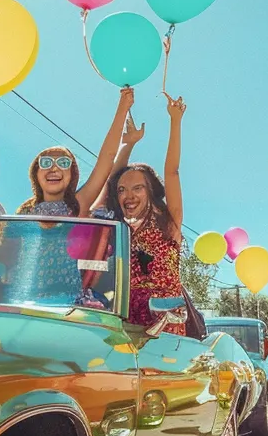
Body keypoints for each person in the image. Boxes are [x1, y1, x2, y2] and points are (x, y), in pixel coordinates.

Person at [110, 93, 188, 335]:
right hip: (124, 327)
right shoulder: (118, 232)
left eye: (137, 188)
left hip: (167, 331)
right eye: (123, 190)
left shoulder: (169, 225)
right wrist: (128, 144)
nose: (128, 195)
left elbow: (172, 172)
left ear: (151, 191)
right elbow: (110, 182)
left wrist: (175, 121)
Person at [16, 87, 143, 217]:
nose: (54, 168)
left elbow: (107, 158)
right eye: (46, 162)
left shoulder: (78, 205)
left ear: (72, 174)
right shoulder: (25, 212)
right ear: (35, 173)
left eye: (63, 163)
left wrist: (123, 107)